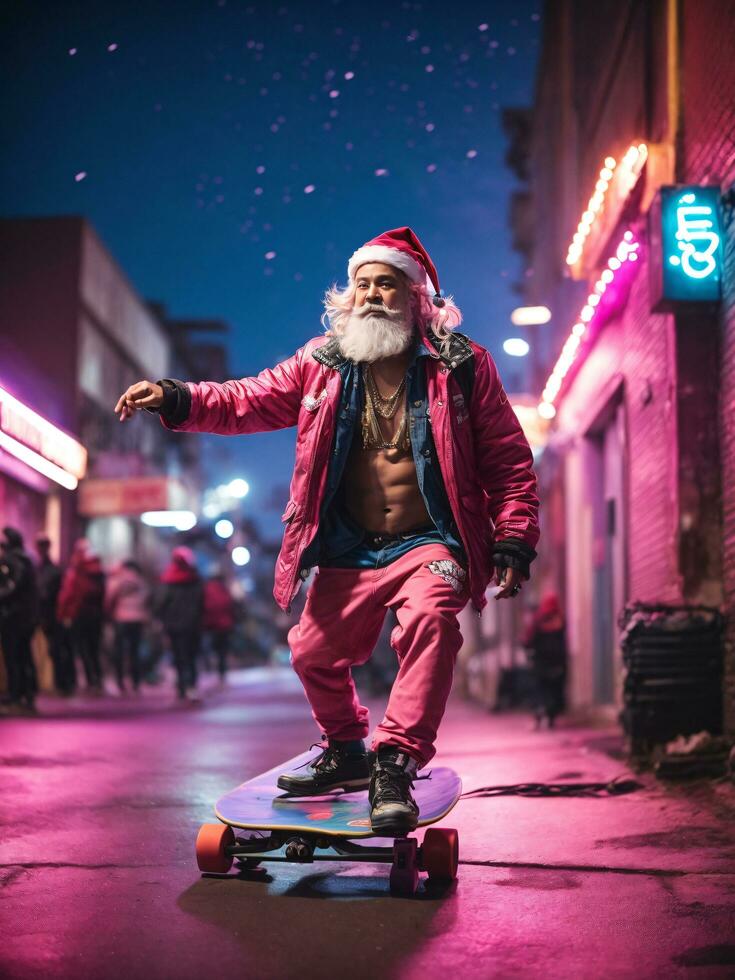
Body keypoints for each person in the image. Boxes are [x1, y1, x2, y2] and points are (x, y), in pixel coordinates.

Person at [115, 227, 540, 834]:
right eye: (362, 284)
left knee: (430, 620)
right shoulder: (323, 363)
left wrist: (513, 538)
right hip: (349, 544)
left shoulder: (463, 366)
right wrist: (176, 397)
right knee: (311, 651)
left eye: (386, 284)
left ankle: (395, 761)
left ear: (417, 298)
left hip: (430, 542)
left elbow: (508, 460)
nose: (371, 295)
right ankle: (345, 749)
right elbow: (249, 398)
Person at [57, 539, 106, 693]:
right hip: (96, 615)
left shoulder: (77, 571)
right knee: (94, 648)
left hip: (79, 614)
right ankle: (97, 679)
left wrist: (62, 612)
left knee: (82, 649)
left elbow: (68, 594)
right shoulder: (99, 572)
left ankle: (90, 680)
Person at [0, 527, 40, 713]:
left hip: (12, 616)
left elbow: (11, 587)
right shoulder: (27, 560)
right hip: (26, 616)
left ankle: (17, 695)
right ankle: (27, 693)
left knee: (14, 657)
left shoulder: (12, 561)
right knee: (24, 656)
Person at [156, 547, 203, 701]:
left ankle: (182, 687)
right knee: (191, 656)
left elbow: (161, 602)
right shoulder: (194, 578)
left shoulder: (168, 579)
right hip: (192, 624)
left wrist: (161, 618)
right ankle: (192, 686)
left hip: (174, 625)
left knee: (179, 656)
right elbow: (201, 601)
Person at [35, 535, 75, 696]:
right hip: (51, 614)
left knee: (57, 649)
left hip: (53, 614)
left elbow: (47, 594)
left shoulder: (50, 570)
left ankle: (63, 683)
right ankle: (61, 682)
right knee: (56, 649)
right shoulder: (43, 568)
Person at [523, 593, 567, 729]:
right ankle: (551, 718)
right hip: (557, 663)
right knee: (554, 691)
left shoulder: (538, 620)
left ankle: (538, 714)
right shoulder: (560, 620)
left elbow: (528, 641)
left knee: (539, 690)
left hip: (540, 663)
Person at [105, 560, 150, 693]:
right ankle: (136, 682)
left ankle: (120, 682)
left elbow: (109, 598)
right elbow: (146, 599)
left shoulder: (117, 581)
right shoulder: (141, 582)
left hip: (121, 617)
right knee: (134, 652)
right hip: (137, 619)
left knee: (119, 651)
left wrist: (109, 614)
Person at [203, 572, 236, 682]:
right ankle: (222, 671)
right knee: (222, 650)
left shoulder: (206, 589)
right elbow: (230, 605)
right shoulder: (224, 589)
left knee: (211, 647)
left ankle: (209, 667)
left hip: (211, 624)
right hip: (224, 625)